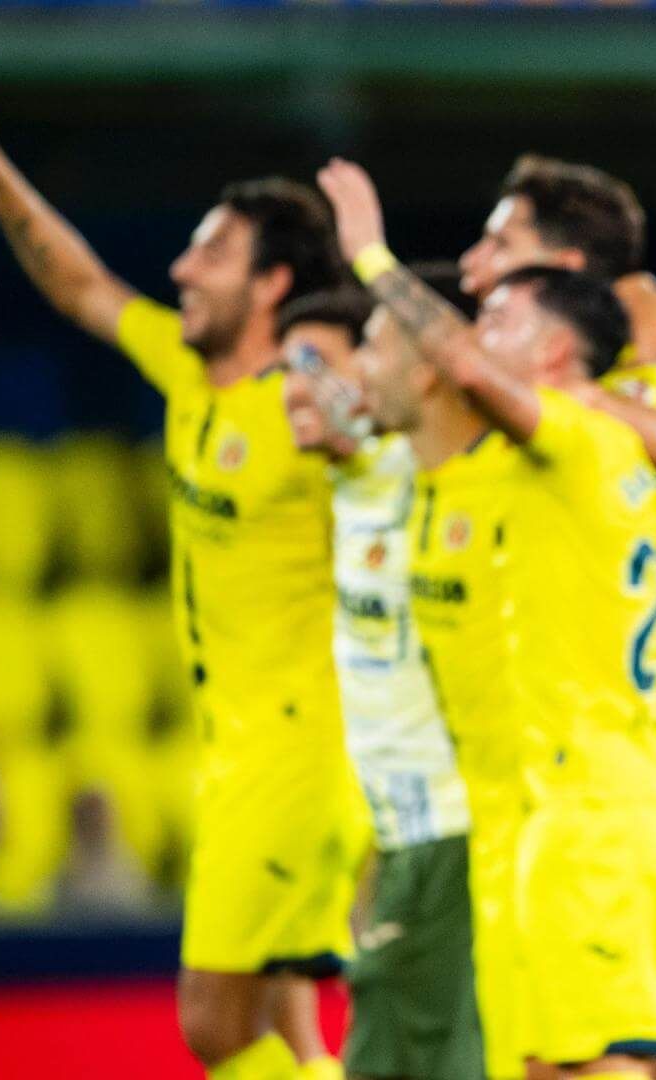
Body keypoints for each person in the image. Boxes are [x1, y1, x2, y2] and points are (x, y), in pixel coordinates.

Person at [0, 87, 360, 1080]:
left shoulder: (309, 420)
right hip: (239, 744)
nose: (181, 269)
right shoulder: (185, 369)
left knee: (212, 1022)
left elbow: (395, 464)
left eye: (210, 253)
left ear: (273, 282)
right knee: (290, 1027)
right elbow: (79, 284)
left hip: (294, 755)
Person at [321, 158, 656, 1080]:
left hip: (598, 804)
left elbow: (454, 362)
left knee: (592, 1062)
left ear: (558, 354)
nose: (476, 333)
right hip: (524, 810)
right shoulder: (492, 473)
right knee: (540, 1063)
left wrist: (370, 255)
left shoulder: (585, 439)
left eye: (501, 321)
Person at [460, 154, 656, 1080]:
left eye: (501, 241)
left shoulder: (642, 343)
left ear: (562, 267)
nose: (479, 258)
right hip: (578, 739)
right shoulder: (533, 363)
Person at [279, 280, 486, 1080]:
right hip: (397, 838)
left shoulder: (419, 469)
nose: (305, 384)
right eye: (288, 367)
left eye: (328, 359)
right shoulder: (346, 482)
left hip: (452, 830)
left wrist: (370, 252)